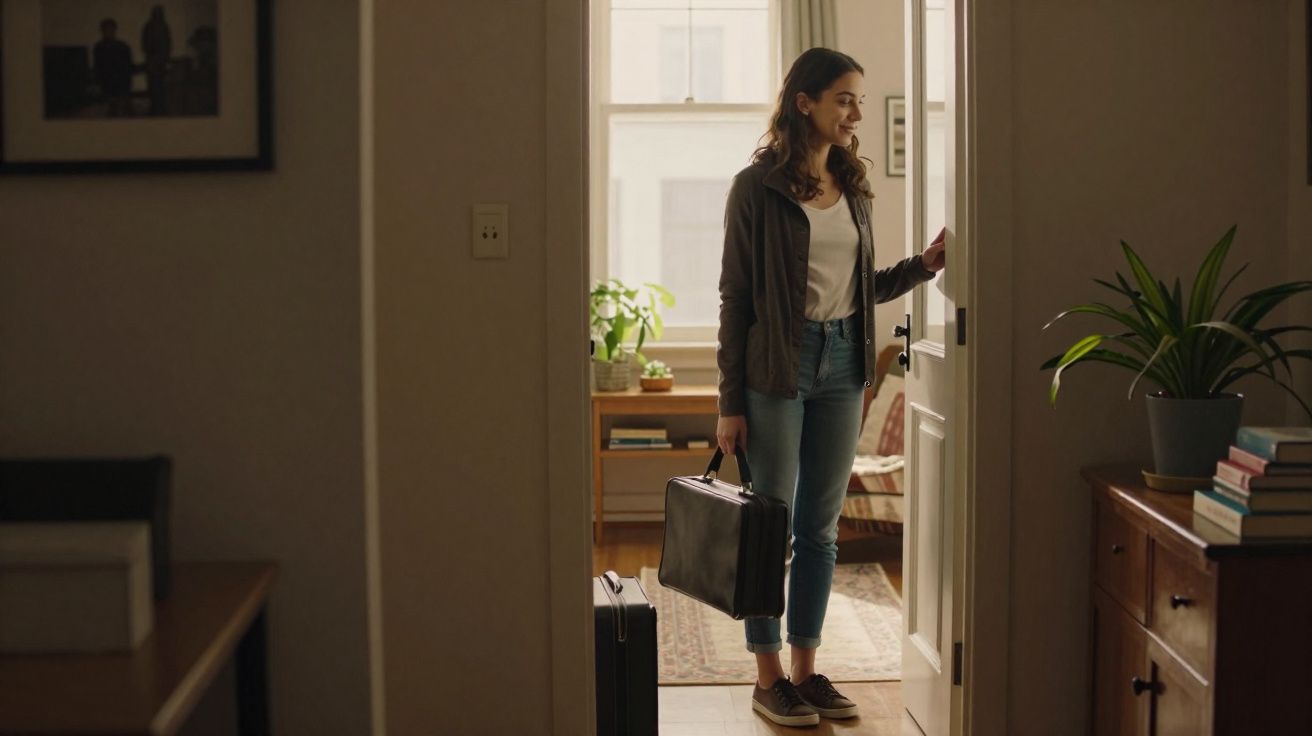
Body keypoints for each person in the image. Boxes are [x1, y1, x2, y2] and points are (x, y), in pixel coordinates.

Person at [715, 47, 946, 727]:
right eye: (844, 99)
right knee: (770, 525)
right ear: (804, 102)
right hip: (777, 369)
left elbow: (859, 288)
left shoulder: (853, 187)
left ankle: (806, 672)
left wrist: (923, 266)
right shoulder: (755, 189)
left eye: (859, 102)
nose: (855, 114)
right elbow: (735, 298)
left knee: (819, 530)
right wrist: (730, 402)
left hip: (845, 363)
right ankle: (767, 678)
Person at [93, 18, 133, 117]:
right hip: (108, 85)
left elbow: (127, 67)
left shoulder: (122, 47)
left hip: (121, 85)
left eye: (110, 29)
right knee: (111, 111)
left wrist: (126, 85)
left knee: (125, 112)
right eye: (106, 29)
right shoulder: (99, 47)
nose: (108, 32)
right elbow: (98, 67)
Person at [141, 5, 172, 115]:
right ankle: (154, 108)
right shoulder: (149, 26)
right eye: (157, 12)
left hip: (161, 63)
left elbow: (168, 44)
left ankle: (160, 107)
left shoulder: (164, 26)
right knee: (153, 86)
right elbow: (146, 45)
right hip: (153, 62)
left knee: (161, 86)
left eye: (160, 13)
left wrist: (165, 58)